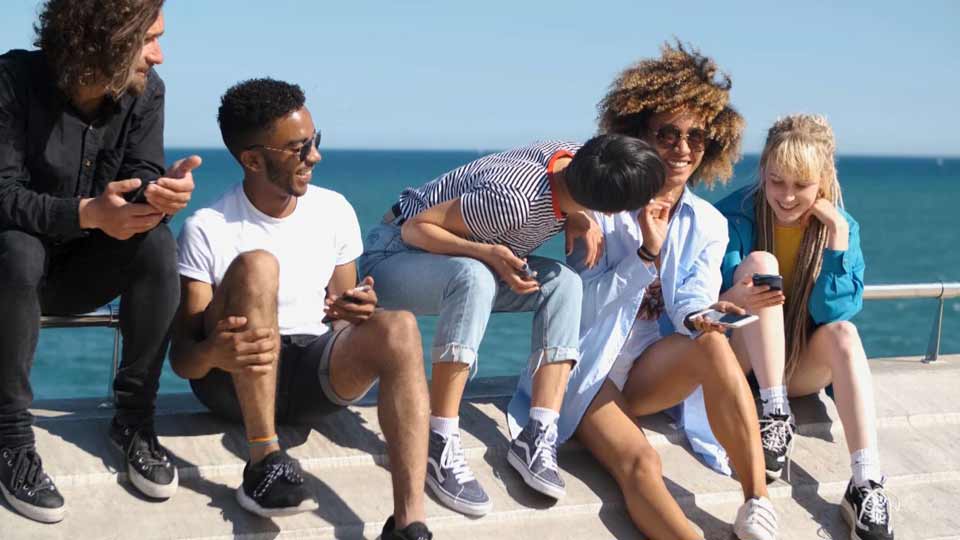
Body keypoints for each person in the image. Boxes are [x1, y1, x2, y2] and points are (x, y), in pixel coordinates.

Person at [170, 78, 432, 540]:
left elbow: (340, 318)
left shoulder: (334, 210)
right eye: (299, 148)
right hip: (232, 381)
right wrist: (213, 352)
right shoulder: (206, 227)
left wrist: (355, 310)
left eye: (315, 140)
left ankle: (408, 523)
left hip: (312, 374)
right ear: (253, 160)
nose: (315, 156)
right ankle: (264, 463)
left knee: (401, 327)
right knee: (257, 265)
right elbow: (184, 360)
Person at [359, 135, 664, 515]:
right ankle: (439, 438)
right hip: (394, 256)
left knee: (564, 284)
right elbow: (415, 228)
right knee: (474, 276)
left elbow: (562, 188)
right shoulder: (514, 202)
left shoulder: (578, 159)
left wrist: (576, 215)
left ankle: (538, 433)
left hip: (459, 262)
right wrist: (487, 253)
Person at [552, 42, 779, 540]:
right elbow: (578, 312)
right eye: (667, 134)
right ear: (637, 133)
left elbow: (688, 301)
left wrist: (709, 313)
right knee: (641, 461)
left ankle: (757, 502)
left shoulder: (709, 223)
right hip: (588, 369)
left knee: (713, 342)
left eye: (696, 136)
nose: (682, 149)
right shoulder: (597, 210)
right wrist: (645, 255)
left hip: (648, 372)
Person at [0, 0, 199, 523]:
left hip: (80, 272)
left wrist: (160, 195)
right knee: (18, 248)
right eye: (148, 39)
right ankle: (9, 437)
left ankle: (133, 420)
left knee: (157, 242)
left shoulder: (146, 91)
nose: (158, 55)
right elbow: (2, 195)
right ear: (104, 38)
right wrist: (86, 213)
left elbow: (140, 176)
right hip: (10, 272)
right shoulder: (11, 81)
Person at [716, 114, 892, 539]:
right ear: (763, 172)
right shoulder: (733, 215)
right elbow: (710, 303)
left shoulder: (842, 227)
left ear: (823, 181)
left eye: (801, 184)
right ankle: (775, 414)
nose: (788, 196)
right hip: (739, 360)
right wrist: (738, 291)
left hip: (798, 366)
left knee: (845, 335)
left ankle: (866, 482)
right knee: (761, 263)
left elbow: (834, 313)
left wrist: (836, 237)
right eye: (776, 181)